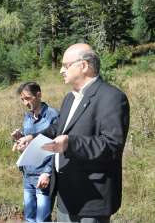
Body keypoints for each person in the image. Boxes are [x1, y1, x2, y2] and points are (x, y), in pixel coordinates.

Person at [14, 43, 130, 222]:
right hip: (65, 195)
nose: (61, 70)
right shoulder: (69, 98)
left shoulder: (112, 97)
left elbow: (112, 145)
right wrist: (32, 137)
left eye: (65, 65)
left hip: (91, 199)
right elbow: (58, 127)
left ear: (83, 66)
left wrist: (70, 143)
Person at [11, 82, 59, 222]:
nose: (25, 103)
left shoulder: (53, 116)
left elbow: (57, 147)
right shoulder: (27, 118)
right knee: (29, 218)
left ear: (38, 95)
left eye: (27, 98)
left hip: (43, 176)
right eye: (22, 99)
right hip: (28, 175)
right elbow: (31, 145)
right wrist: (20, 140)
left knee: (41, 219)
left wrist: (47, 172)